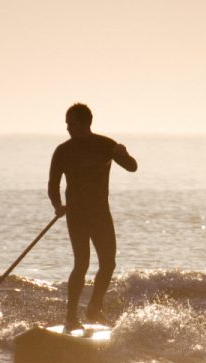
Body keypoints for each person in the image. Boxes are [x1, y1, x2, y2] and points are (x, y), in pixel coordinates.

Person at [48, 103, 138, 331]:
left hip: (100, 214)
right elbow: (53, 185)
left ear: (85, 123)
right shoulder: (63, 151)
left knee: (108, 263)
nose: (67, 127)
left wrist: (123, 154)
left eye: (72, 123)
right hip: (77, 216)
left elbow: (132, 167)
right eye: (67, 123)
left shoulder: (105, 145)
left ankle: (94, 309)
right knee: (82, 263)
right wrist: (57, 205)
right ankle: (71, 317)